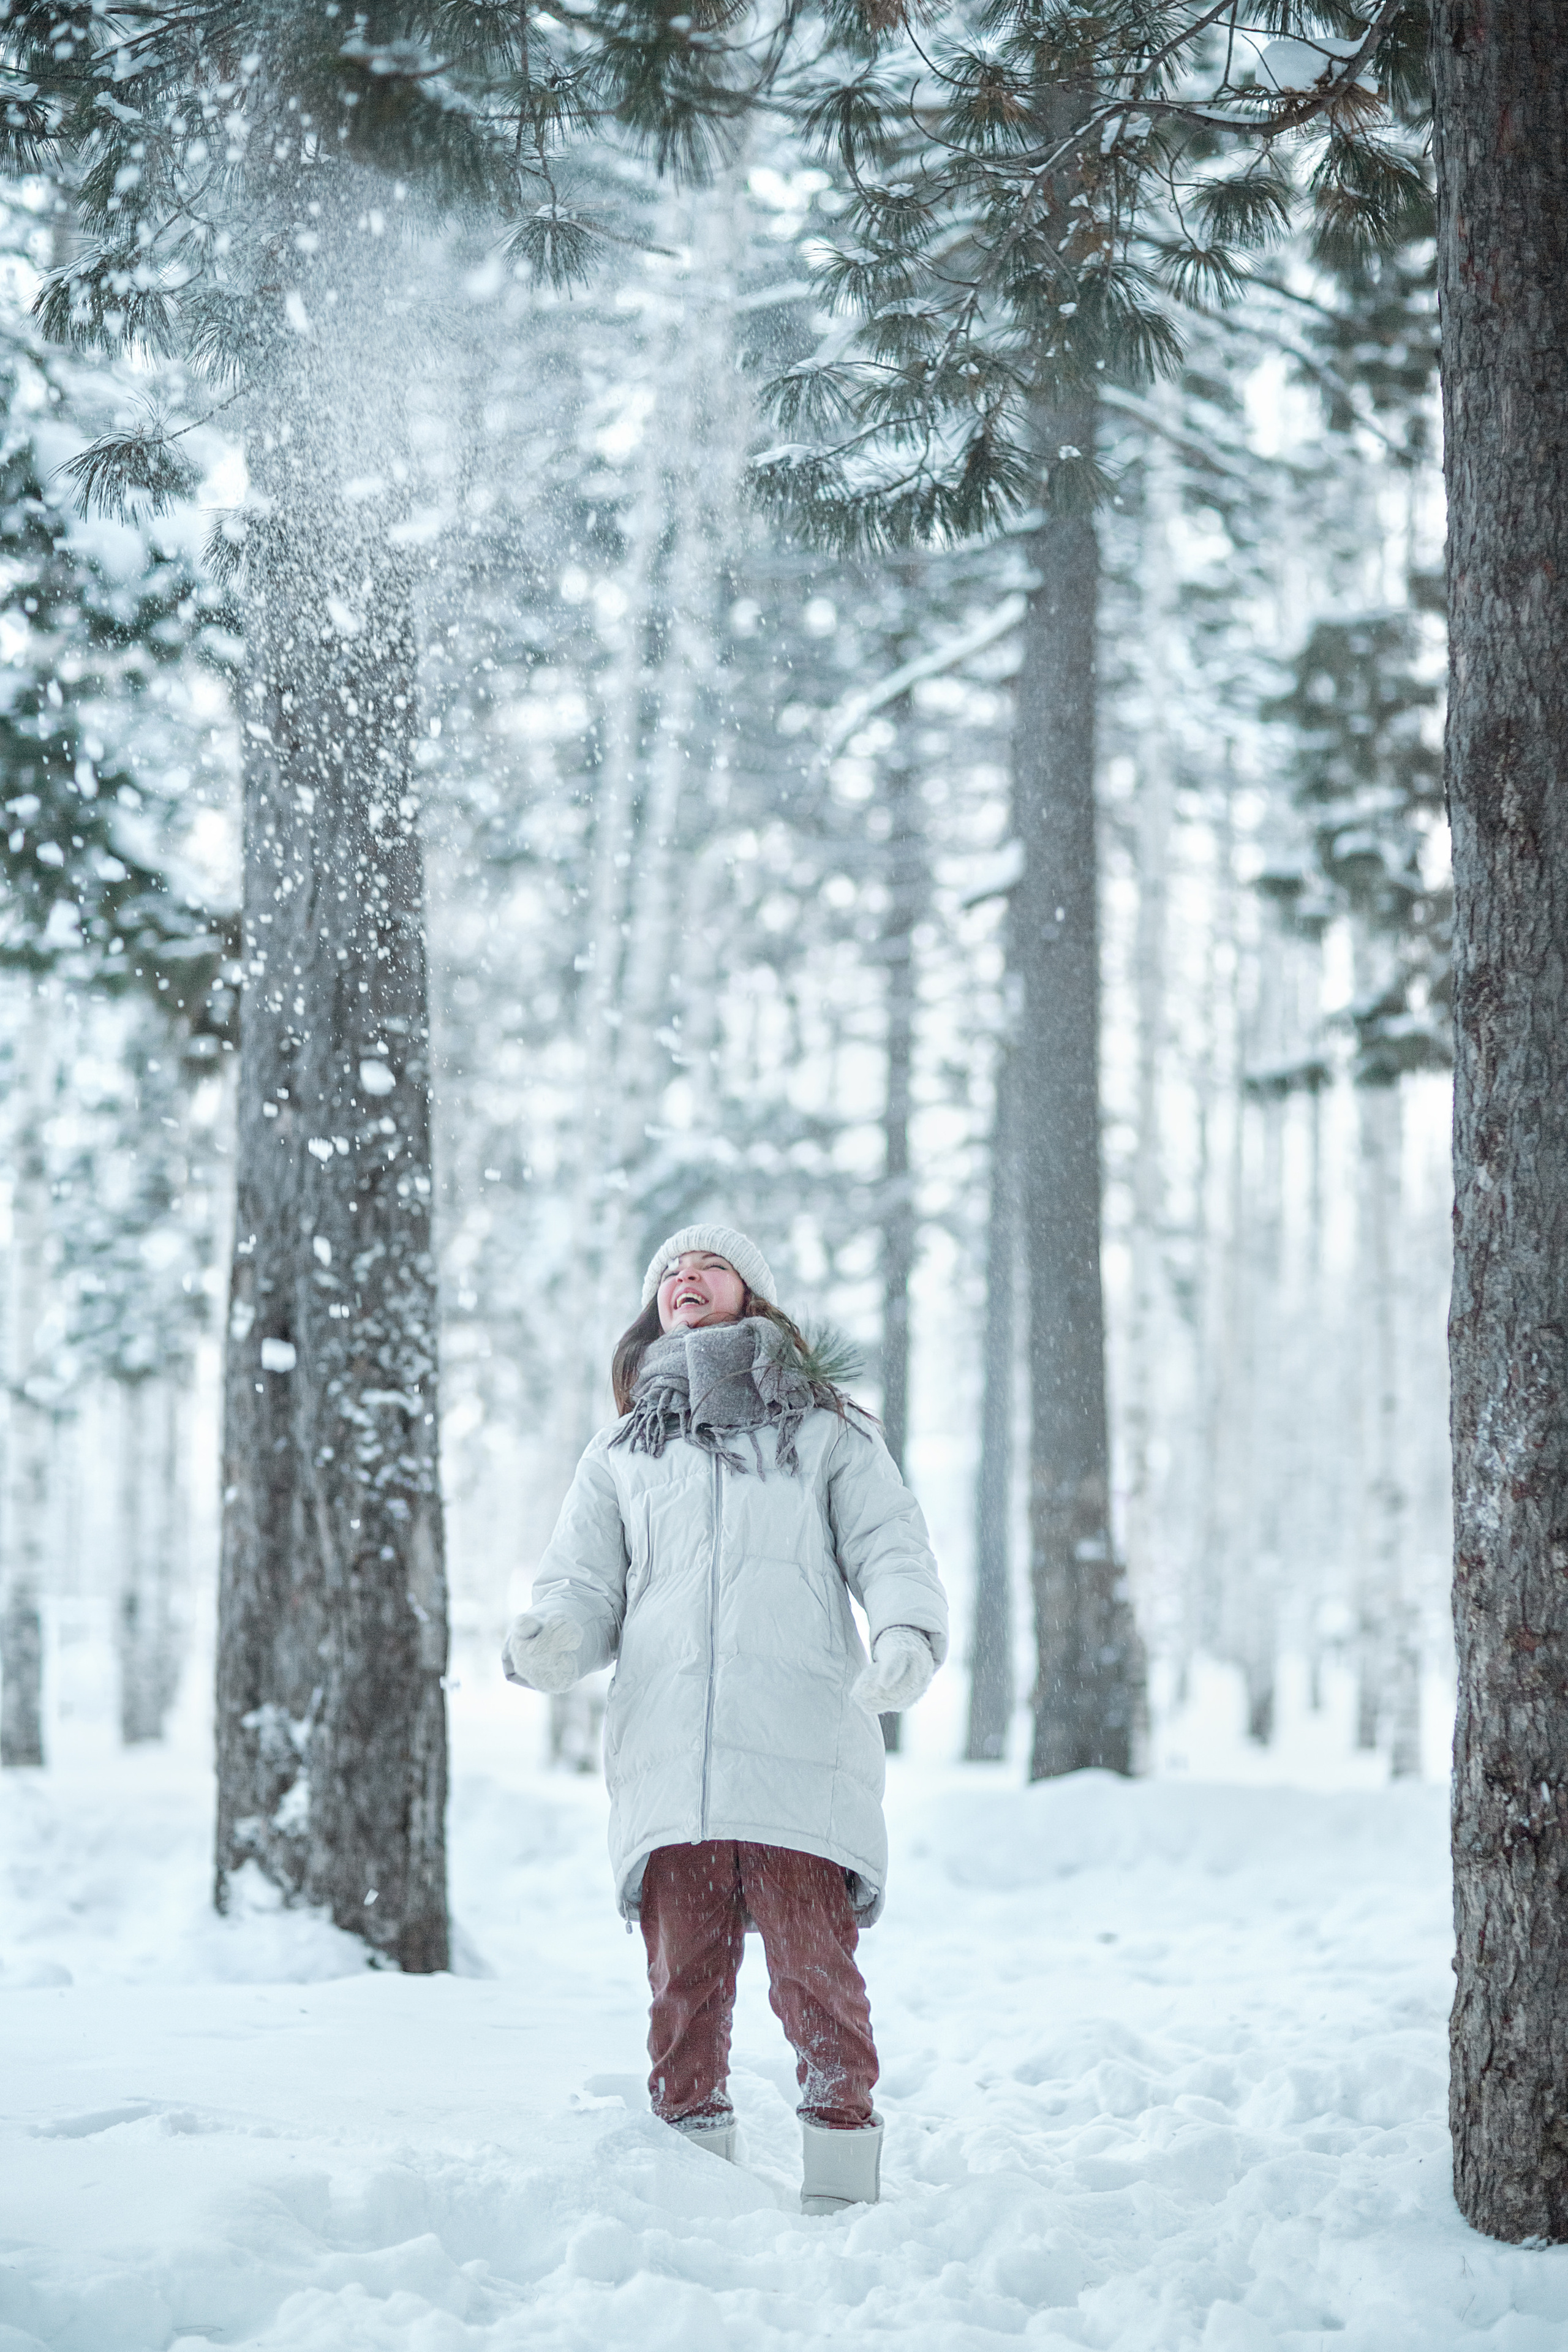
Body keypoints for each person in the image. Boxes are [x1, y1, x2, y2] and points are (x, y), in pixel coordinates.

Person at [503, 1223, 948, 2215]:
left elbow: (891, 1545)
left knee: (817, 1982)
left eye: (707, 1264)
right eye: (667, 1269)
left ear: (754, 1293)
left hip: (798, 1750)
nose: (682, 1277)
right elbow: (582, 1583)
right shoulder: (623, 1449)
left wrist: (908, 1633)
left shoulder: (828, 1428)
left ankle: (841, 2187)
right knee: (683, 1989)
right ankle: (695, 2190)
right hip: (671, 1759)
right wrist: (554, 1640)